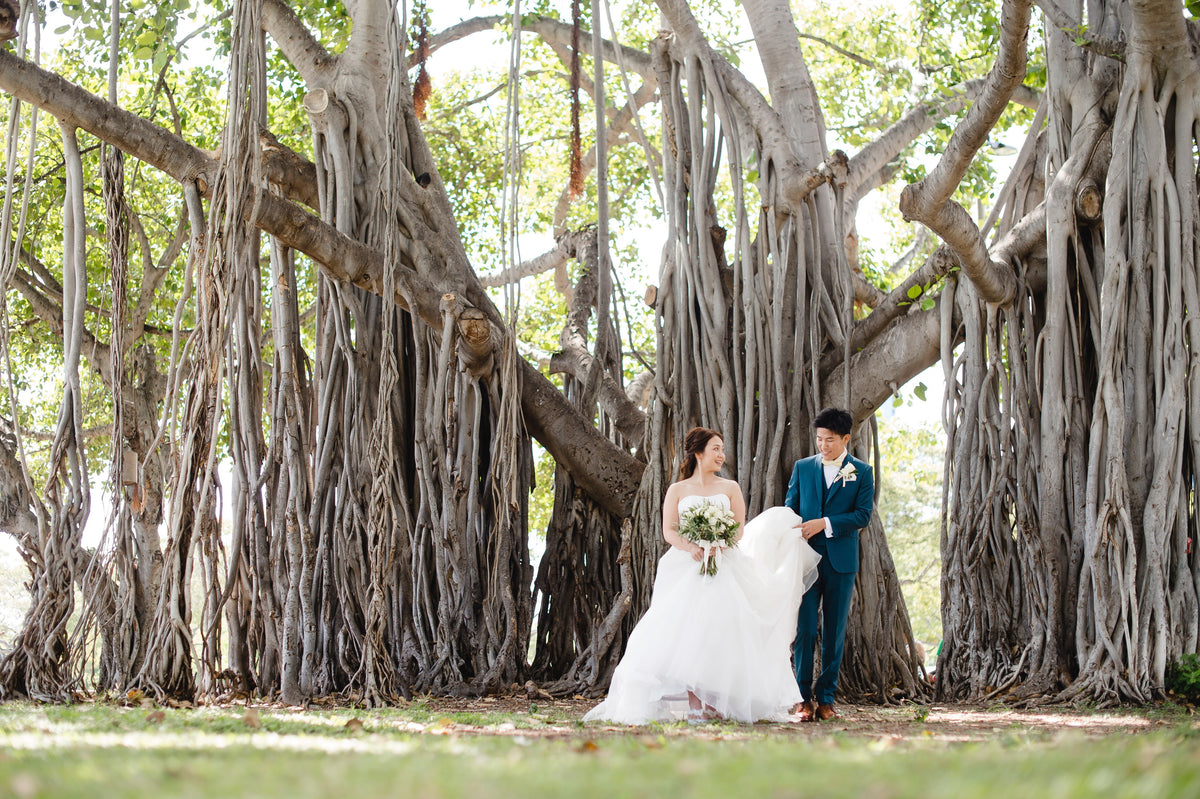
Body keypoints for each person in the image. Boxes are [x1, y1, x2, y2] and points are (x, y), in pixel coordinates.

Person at [584, 427, 820, 724]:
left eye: (722, 449)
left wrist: (720, 542)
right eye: (716, 449)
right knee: (683, 631)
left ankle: (716, 701)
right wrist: (691, 546)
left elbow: (738, 528)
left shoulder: (730, 488)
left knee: (723, 632)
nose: (721, 455)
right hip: (686, 565)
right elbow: (669, 530)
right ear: (698, 453)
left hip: (725, 564)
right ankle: (688, 703)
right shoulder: (678, 490)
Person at [785, 407, 875, 722]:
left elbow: (862, 515)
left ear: (846, 439)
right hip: (806, 560)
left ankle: (826, 700)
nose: (824, 446)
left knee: (834, 631)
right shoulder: (803, 467)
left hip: (841, 562)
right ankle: (802, 700)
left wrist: (824, 523)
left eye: (831, 440)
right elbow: (790, 508)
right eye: (820, 439)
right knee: (806, 629)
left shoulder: (861, 472)